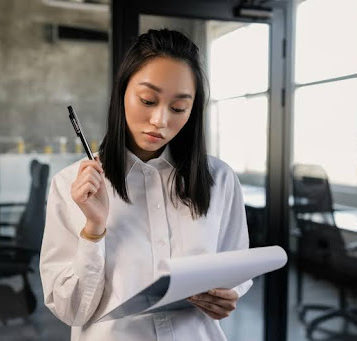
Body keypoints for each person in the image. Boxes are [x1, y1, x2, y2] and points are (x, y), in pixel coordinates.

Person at [39, 28, 252, 341]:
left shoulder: (219, 179)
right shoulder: (71, 184)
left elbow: (235, 269)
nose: (160, 121)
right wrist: (94, 229)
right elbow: (70, 311)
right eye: (148, 100)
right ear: (123, 91)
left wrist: (227, 294)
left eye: (179, 108)